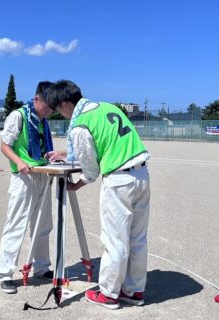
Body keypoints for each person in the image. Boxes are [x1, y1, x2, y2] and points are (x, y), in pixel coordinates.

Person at [45, 80, 150, 310]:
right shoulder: (106, 107)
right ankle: (134, 290)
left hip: (119, 179)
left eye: (59, 110)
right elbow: (105, 141)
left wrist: (80, 183)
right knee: (137, 238)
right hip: (141, 174)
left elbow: (90, 168)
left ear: (64, 104)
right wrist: (66, 152)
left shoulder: (81, 124)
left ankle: (109, 294)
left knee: (115, 240)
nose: (60, 115)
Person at [0, 81, 55, 294]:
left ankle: (41, 266)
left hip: (42, 175)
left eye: (52, 107)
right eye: (47, 105)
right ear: (36, 99)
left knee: (43, 223)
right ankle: (5, 274)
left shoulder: (43, 120)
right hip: (23, 177)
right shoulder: (19, 116)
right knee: (16, 224)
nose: (49, 110)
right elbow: (4, 145)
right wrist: (19, 162)